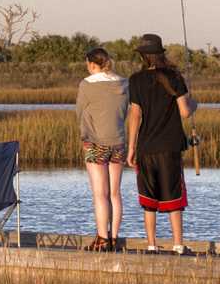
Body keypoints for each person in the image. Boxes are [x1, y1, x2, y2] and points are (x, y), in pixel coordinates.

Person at [123, 33, 195, 251]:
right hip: (170, 147)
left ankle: (152, 245)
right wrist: (195, 104)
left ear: (144, 57)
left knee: (148, 200)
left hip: (145, 147)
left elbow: (135, 115)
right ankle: (178, 245)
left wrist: (131, 148)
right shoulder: (174, 77)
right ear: (160, 54)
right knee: (174, 196)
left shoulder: (135, 80)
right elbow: (185, 112)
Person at [74, 47, 128, 250]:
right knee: (115, 193)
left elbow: (79, 111)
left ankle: (102, 239)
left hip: (95, 142)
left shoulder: (87, 85)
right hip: (118, 142)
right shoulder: (123, 83)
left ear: (92, 64)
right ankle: (114, 237)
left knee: (100, 193)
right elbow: (124, 110)